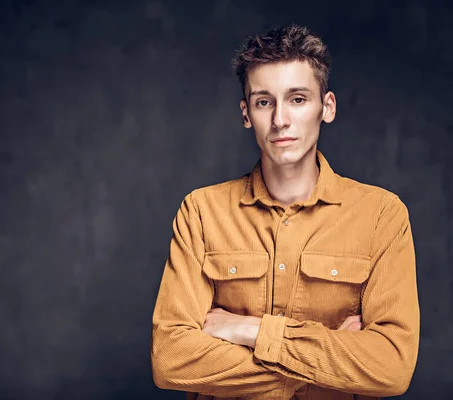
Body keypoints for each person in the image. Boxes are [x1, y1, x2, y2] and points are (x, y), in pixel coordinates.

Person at [151, 24, 420, 400]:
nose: (280, 120)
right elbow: (170, 359)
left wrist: (251, 331)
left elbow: (390, 367)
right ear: (246, 114)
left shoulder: (382, 216)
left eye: (297, 99)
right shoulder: (201, 212)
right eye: (264, 102)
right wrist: (325, 366)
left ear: (326, 108)